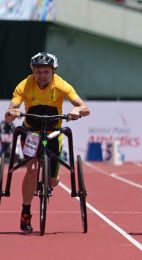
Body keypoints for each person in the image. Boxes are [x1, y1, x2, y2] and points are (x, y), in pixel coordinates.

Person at [4, 52, 90, 233]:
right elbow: (11, 111)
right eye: (38, 72)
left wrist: (76, 110)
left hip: (53, 133)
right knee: (32, 169)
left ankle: (48, 182)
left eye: (45, 72)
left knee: (52, 181)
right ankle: (26, 212)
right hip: (32, 133)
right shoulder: (24, 85)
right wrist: (13, 112)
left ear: (53, 72)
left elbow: (84, 108)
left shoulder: (61, 84)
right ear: (32, 72)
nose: (41, 76)